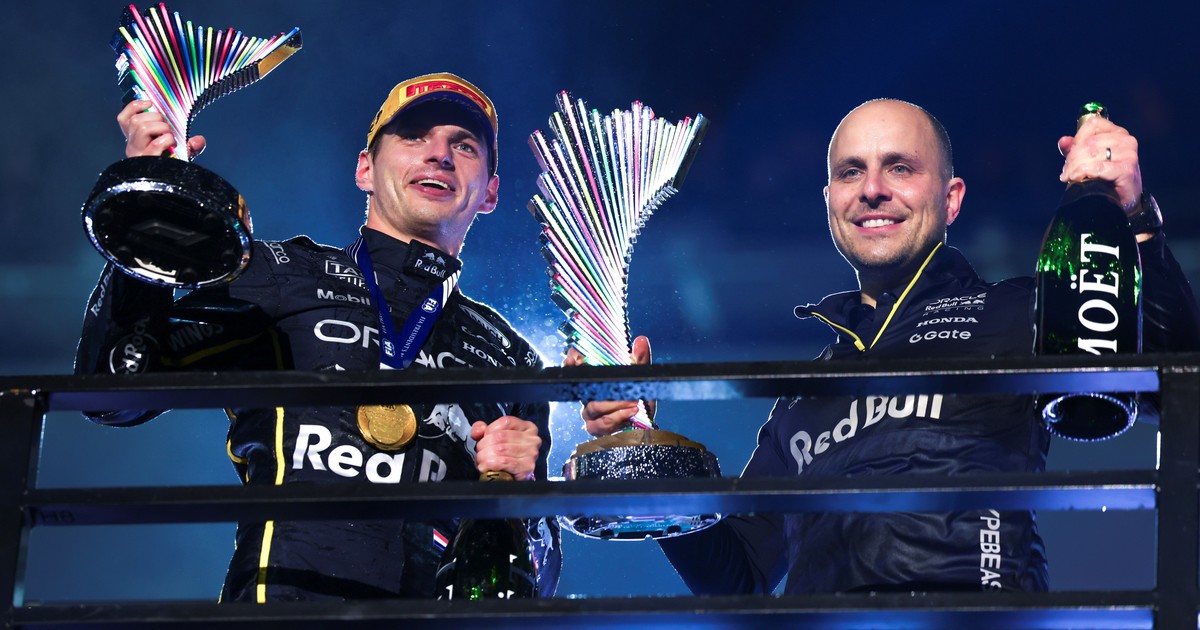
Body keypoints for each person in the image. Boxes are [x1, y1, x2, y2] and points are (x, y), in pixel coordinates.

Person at [577, 99, 1200, 593]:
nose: (872, 188)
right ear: (830, 203)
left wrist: (1133, 217)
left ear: (951, 199)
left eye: (900, 167)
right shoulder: (802, 398)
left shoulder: (1019, 310)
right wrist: (645, 448)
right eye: (851, 171)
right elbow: (738, 575)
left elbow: (1178, 393)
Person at [75, 72, 561, 601]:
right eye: (414, 136)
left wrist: (522, 496)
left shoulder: (511, 358)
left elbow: (538, 580)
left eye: (464, 146)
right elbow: (113, 390)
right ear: (365, 169)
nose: (439, 154)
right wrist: (147, 207)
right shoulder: (282, 273)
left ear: (489, 191)